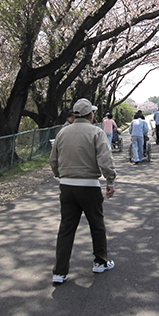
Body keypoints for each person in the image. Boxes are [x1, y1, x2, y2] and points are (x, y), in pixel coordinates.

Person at [49, 98, 117, 284]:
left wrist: (59, 175)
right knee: (96, 224)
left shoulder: (62, 133)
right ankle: (100, 261)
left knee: (66, 228)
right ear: (90, 114)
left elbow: (53, 160)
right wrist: (110, 180)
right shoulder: (96, 132)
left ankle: (60, 272)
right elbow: (105, 159)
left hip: (67, 186)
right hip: (89, 186)